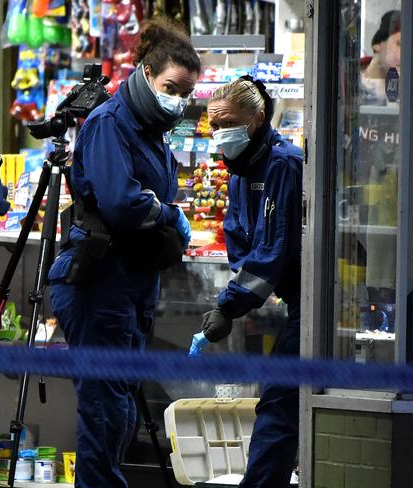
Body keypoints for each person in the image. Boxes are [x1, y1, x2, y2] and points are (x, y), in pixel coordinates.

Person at [48, 17, 200, 488]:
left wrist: (163, 212)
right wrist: (170, 216)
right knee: (106, 410)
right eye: (173, 87)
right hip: (99, 283)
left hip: (132, 282)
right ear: (148, 74)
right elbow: (120, 201)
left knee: (119, 405)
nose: (180, 99)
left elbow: (150, 199)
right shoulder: (109, 123)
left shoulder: (152, 130)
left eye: (187, 93)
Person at [189, 76, 303, 488]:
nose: (220, 133)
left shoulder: (283, 164)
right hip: (287, 300)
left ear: (256, 119)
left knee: (278, 402)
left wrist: (229, 306)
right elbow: (241, 241)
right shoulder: (238, 172)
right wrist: (247, 295)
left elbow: (272, 249)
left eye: (228, 123)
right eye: (214, 125)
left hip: (317, 301)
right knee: (281, 402)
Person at [361, 10, 401, 105]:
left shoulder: (405, 91)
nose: (403, 54)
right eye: (399, 44)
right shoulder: (349, 83)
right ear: (378, 44)